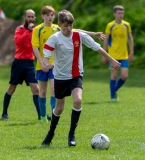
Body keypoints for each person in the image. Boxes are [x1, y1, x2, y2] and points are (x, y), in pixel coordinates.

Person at [41, 10, 121, 146]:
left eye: (71, 25)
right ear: (59, 24)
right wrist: (46, 65)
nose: (68, 29)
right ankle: (51, 132)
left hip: (76, 75)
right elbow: (45, 58)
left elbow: (98, 48)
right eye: (65, 26)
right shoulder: (54, 38)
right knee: (59, 108)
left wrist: (112, 60)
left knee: (78, 100)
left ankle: (71, 135)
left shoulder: (79, 36)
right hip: (60, 77)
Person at [32, 6, 106, 123]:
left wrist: (93, 34)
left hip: (56, 66)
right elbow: (35, 47)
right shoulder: (38, 29)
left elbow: (76, 31)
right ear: (42, 16)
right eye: (47, 15)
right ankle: (42, 116)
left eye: (52, 15)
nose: (50, 17)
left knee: (53, 91)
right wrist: (41, 63)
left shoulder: (58, 28)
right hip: (43, 64)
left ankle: (53, 114)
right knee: (42, 91)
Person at [1, 9, 41, 120]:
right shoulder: (19, 29)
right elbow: (18, 42)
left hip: (30, 63)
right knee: (12, 88)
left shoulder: (36, 31)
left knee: (35, 89)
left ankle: (40, 116)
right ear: (24, 18)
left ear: (35, 18)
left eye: (32, 17)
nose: (30, 19)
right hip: (18, 63)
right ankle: (4, 113)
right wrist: (27, 31)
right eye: (28, 16)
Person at [102, 5, 134, 102]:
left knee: (124, 76)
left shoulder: (126, 25)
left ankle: (113, 90)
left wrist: (131, 52)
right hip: (113, 55)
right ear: (114, 14)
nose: (121, 15)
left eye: (122, 13)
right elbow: (106, 39)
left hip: (124, 55)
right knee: (114, 76)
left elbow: (130, 39)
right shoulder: (110, 25)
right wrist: (104, 54)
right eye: (119, 13)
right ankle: (112, 98)